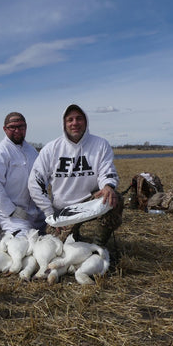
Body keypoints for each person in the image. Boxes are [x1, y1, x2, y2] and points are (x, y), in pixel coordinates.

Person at [28, 104, 123, 246]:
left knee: (113, 198)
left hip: (90, 205)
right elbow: (35, 183)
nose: (75, 123)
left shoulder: (100, 144)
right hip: (63, 212)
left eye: (79, 119)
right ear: (64, 123)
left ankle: (98, 247)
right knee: (58, 249)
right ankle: (73, 234)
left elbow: (107, 170)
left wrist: (108, 186)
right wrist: (49, 214)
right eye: (70, 120)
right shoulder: (51, 149)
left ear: (85, 121)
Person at [0, 112, 46, 240]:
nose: (17, 130)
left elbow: (41, 179)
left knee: (55, 238)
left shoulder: (32, 151)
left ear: (26, 128)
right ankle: (0, 230)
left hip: (35, 213)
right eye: (12, 127)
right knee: (24, 244)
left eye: (21, 127)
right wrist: (11, 210)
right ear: (5, 129)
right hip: (12, 215)